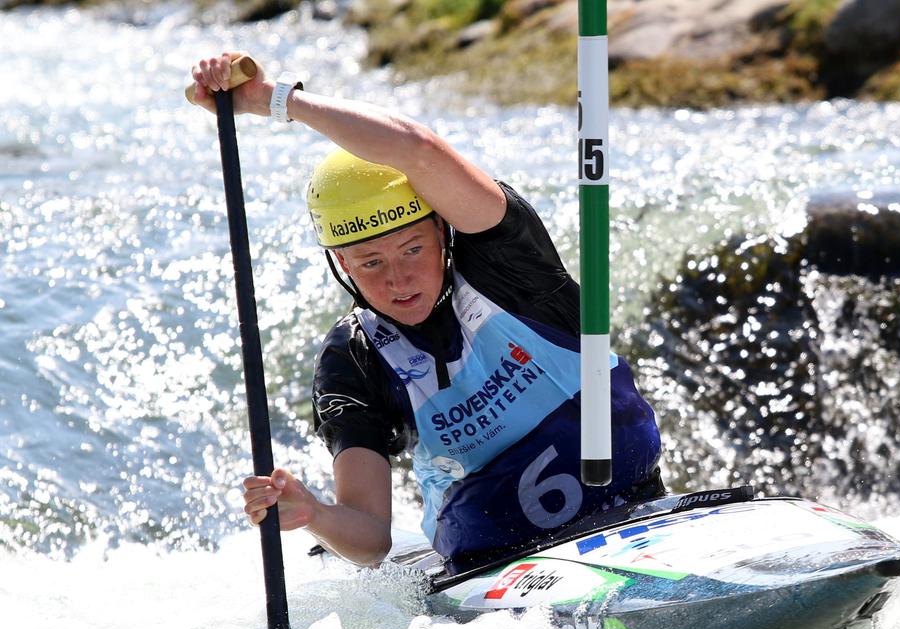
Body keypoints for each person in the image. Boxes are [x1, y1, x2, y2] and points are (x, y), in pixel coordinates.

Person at [190, 53, 663, 570]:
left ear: (442, 231)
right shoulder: (355, 358)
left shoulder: (506, 262)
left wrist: (274, 100)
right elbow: (370, 538)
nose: (397, 280)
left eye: (412, 249)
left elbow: (416, 149)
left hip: (636, 512)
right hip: (490, 568)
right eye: (370, 262)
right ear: (340, 263)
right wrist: (314, 514)